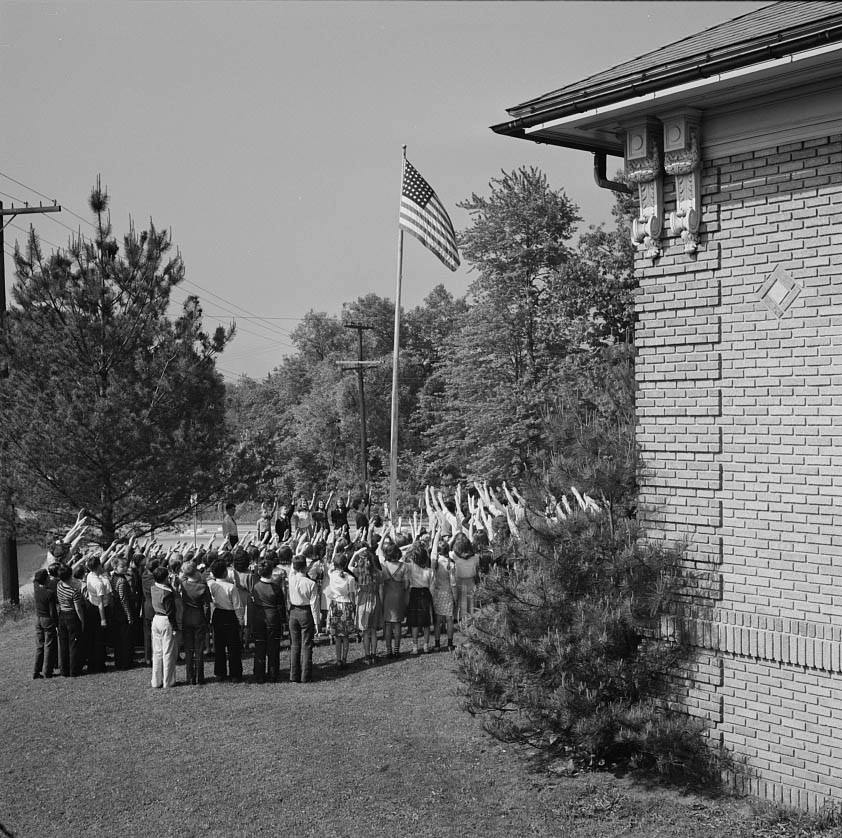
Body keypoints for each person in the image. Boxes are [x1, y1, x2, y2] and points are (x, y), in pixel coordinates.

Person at [207, 557, 244, 682]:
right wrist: (241, 620)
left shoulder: (212, 585)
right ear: (225, 572)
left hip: (218, 614)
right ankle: (235, 673)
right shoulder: (231, 587)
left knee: (219, 645)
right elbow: (237, 605)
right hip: (230, 615)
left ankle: (220, 672)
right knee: (233, 646)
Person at [250, 558, 285, 683]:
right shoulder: (276, 588)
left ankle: (259, 674)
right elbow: (281, 606)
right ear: (271, 572)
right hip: (273, 618)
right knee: (273, 647)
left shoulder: (255, 586)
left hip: (259, 618)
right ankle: (273, 673)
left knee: (259, 646)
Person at [288, 554, 320, 683]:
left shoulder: (291, 577)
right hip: (306, 612)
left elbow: (292, 566)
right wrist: (317, 622)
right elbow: (314, 606)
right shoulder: (311, 584)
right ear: (305, 568)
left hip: (293, 612)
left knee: (295, 645)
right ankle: (305, 675)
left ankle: (293, 675)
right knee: (306, 645)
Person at [180, 560, 211, 685]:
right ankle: (199, 676)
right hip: (198, 616)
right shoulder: (203, 586)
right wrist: (207, 619)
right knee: (198, 648)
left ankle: (190, 676)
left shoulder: (183, 584)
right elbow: (207, 606)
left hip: (187, 616)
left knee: (189, 649)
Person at [349, 544, 382, 664]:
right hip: (375, 600)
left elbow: (349, 566)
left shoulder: (358, 573)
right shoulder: (377, 573)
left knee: (365, 631)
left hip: (363, 602)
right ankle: (374, 654)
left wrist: (355, 554)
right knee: (373, 631)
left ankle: (367, 655)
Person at [326, 551, 356, 669]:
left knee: (337, 636)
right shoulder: (350, 578)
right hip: (347, 605)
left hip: (335, 605)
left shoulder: (331, 574)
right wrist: (354, 606)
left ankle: (338, 660)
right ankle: (344, 659)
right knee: (345, 636)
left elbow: (330, 567)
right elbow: (352, 595)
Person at [380, 535, 409, 658]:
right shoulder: (404, 566)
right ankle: (397, 650)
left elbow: (381, 584)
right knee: (397, 624)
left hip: (387, 596)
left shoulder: (384, 565)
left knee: (388, 625)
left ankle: (388, 650)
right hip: (399, 596)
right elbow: (407, 584)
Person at [150, 565, 179, 689]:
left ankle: (156, 681)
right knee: (168, 652)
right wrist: (175, 628)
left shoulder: (153, 587)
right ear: (166, 578)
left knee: (157, 652)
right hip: (166, 620)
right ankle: (168, 681)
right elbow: (171, 612)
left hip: (156, 619)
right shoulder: (167, 593)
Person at [84, 552, 113, 674]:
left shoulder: (90, 575)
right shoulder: (99, 583)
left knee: (93, 638)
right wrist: (103, 619)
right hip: (99, 610)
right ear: (97, 567)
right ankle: (99, 665)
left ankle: (93, 663)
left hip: (91, 606)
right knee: (99, 639)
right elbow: (101, 603)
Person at [56, 563, 85, 677]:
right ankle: (74, 670)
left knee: (63, 644)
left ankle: (64, 669)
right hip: (72, 616)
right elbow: (78, 608)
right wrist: (82, 621)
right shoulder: (74, 591)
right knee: (74, 644)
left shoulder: (59, 585)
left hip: (62, 615)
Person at [405, 542, 434, 655]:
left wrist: (412, 547)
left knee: (415, 623)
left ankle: (415, 647)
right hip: (426, 594)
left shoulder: (411, 566)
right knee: (426, 622)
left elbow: (404, 557)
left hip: (414, 593)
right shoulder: (429, 571)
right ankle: (426, 646)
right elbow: (431, 586)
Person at [431, 535, 456, 652]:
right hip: (447, 592)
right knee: (449, 619)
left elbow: (433, 551)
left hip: (437, 592)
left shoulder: (435, 563)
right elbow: (453, 582)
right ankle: (450, 643)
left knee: (437, 620)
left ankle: (437, 644)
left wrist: (437, 533)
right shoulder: (451, 564)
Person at [110, 558, 136, 670]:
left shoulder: (114, 577)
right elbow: (123, 599)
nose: (125, 568)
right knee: (124, 638)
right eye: (122, 566)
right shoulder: (121, 581)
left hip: (116, 611)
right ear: (115, 567)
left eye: (126, 566)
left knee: (119, 638)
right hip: (121, 612)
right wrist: (129, 615)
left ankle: (120, 661)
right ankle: (124, 662)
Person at [33, 569, 57, 679]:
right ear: (45, 579)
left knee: (40, 646)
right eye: (48, 577)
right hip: (47, 619)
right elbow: (52, 612)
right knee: (49, 646)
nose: (49, 578)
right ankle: (48, 671)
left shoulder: (36, 588)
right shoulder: (49, 593)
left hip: (38, 618)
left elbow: (36, 580)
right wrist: (56, 624)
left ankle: (36, 671)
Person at [451, 533, 479, 621]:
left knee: (460, 601)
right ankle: (470, 618)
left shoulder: (453, 555)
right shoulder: (475, 557)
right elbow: (477, 569)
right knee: (471, 602)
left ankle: (460, 618)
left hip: (459, 581)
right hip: (471, 581)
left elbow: (445, 548)